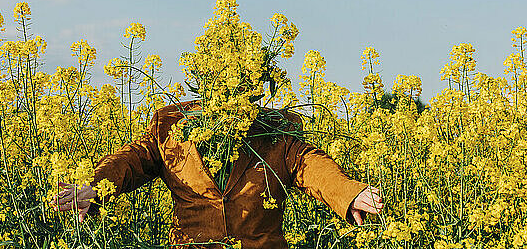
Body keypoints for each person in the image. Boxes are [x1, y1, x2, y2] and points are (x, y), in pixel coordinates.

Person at [51, 99, 384, 248]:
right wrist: (96, 187)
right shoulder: (173, 132)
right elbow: (134, 159)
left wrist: (348, 192)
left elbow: (312, 165)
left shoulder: (273, 137)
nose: (230, 108)